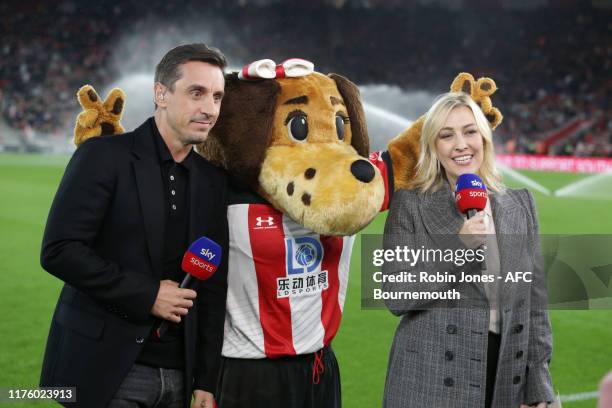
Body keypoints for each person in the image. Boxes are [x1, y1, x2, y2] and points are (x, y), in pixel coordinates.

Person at [39, 43, 229, 408]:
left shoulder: (212, 180)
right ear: (161, 93)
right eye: (197, 93)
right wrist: (148, 295)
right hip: (107, 370)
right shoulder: (103, 156)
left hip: (179, 375)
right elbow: (59, 250)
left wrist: (207, 379)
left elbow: (212, 286)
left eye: (217, 97)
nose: (209, 109)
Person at [381, 92, 554, 408]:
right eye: (446, 135)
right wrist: (458, 248)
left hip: (503, 376)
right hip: (431, 380)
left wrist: (538, 384)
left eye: (470, 131)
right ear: (434, 146)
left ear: (484, 138)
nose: (461, 144)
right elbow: (396, 295)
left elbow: (535, 305)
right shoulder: (410, 203)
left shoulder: (521, 204)